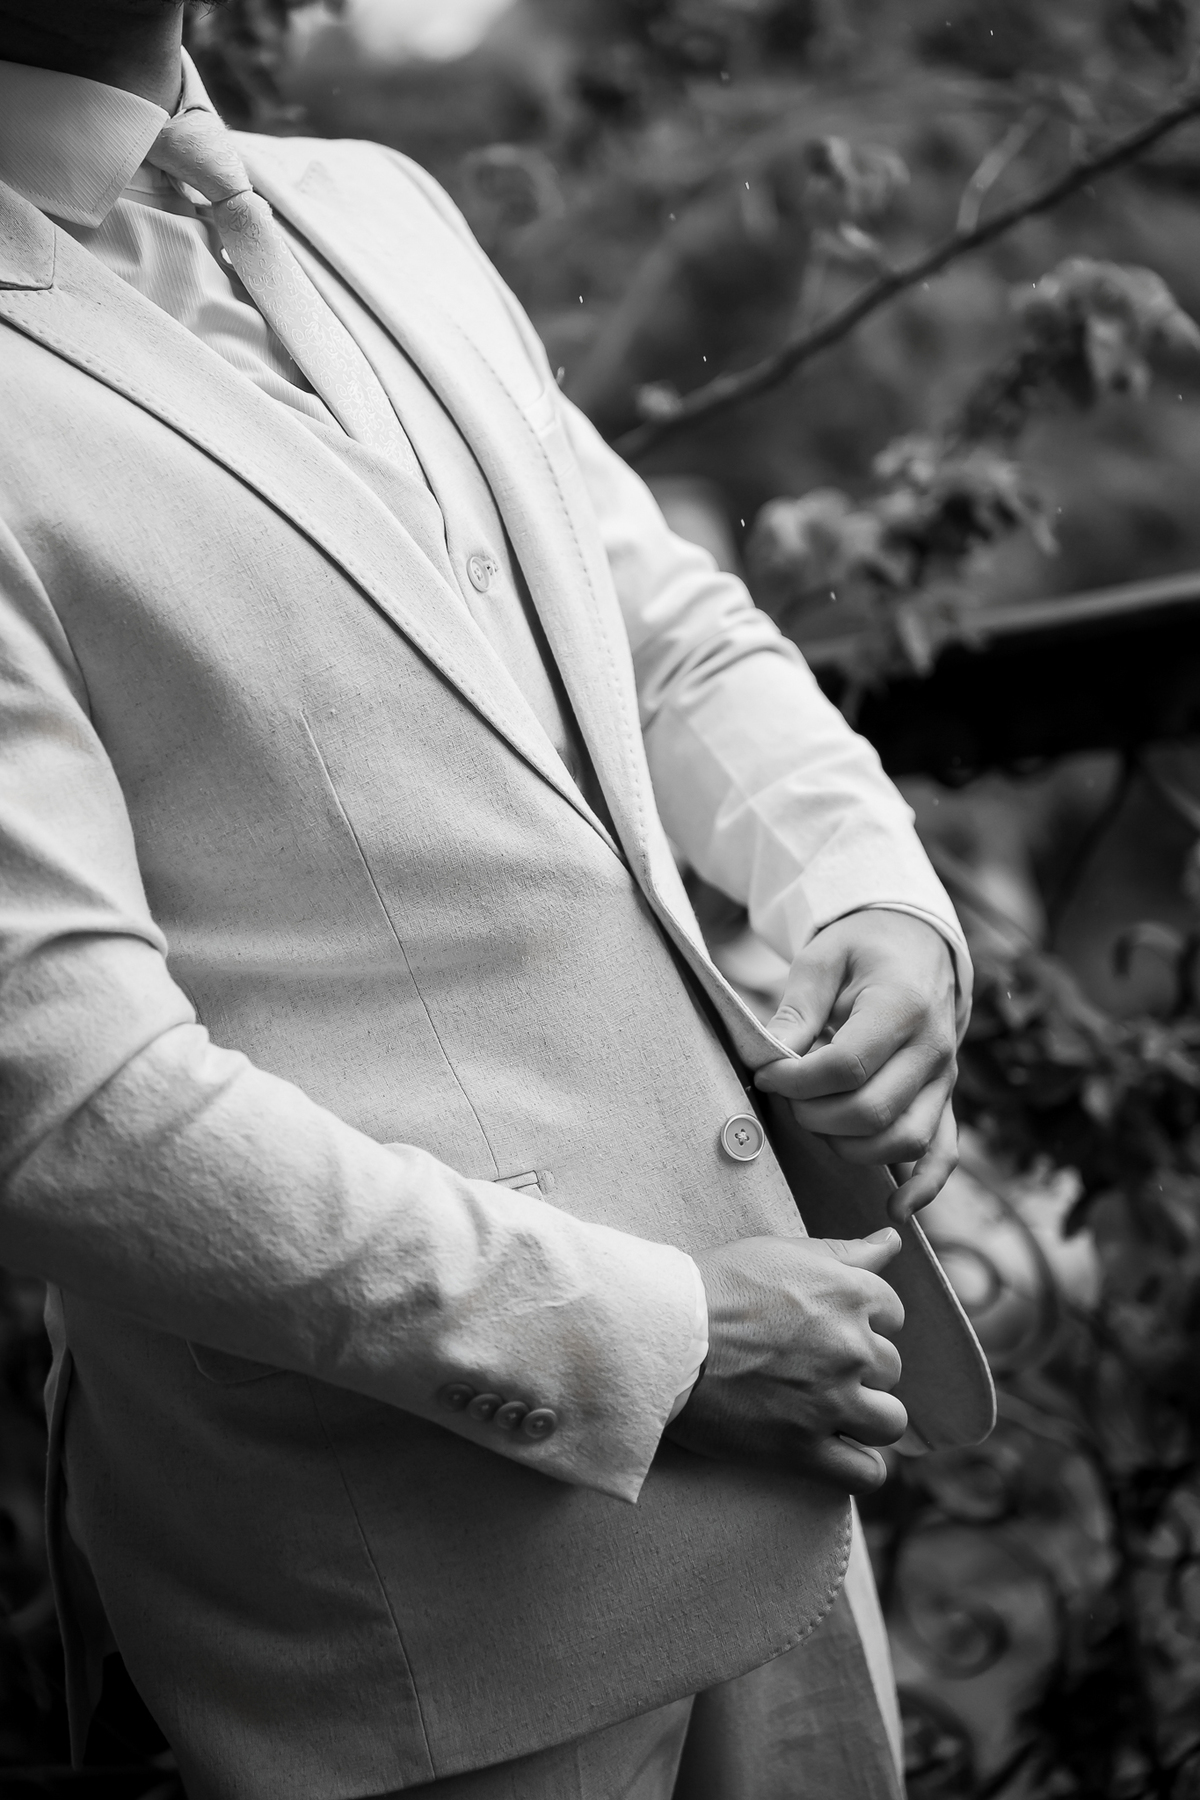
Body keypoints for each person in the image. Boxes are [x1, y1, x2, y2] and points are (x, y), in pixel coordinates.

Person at [0, 3, 972, 1795]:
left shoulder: (376, 202)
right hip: (420, 1600)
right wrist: (663, 1347)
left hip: (796, 1493)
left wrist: (866, 885)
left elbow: (657, 630)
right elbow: (65, 1104)